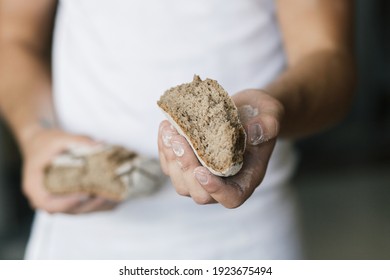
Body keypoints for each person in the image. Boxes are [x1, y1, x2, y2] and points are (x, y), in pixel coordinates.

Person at [0, 0, 355, 259]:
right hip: (79, 239)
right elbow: (13, 36)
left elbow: (327, 56)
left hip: (245, 242)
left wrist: (270, 113)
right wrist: (36, 132)